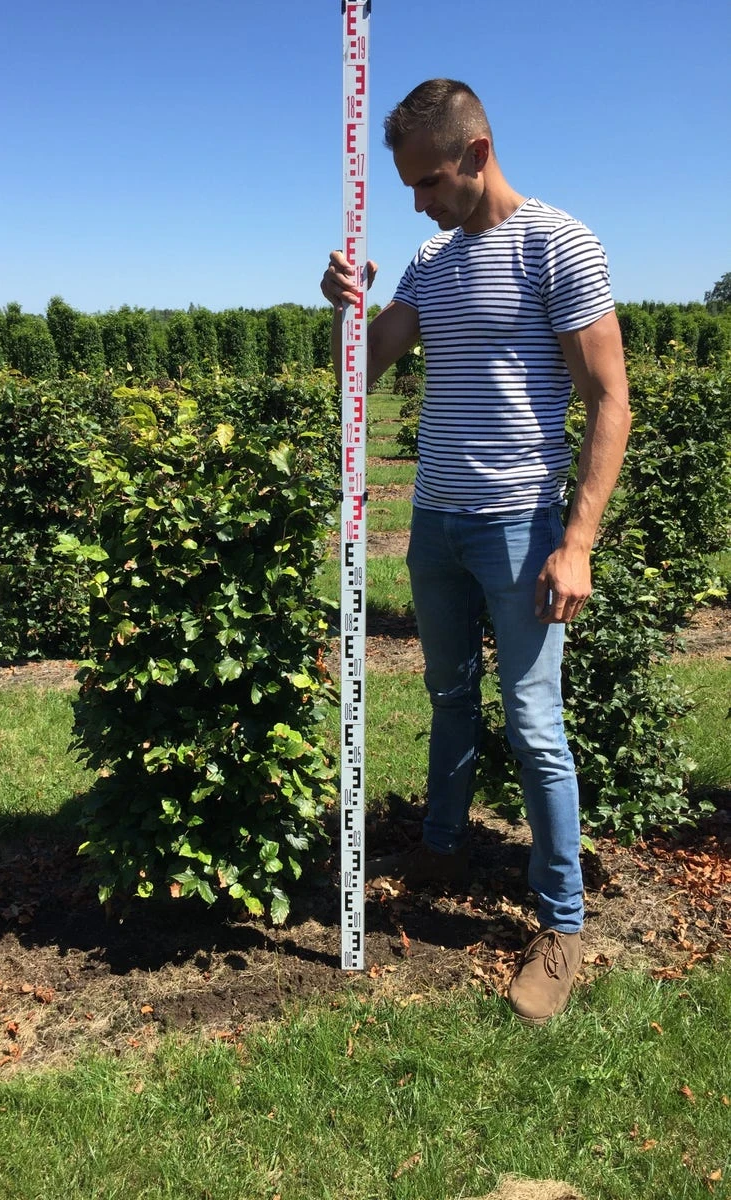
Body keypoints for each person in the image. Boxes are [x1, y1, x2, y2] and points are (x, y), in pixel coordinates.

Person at [320, 79, 631, 1024]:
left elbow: (610, 400)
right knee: (449, 697)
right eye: (408, 186)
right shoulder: (430, 261)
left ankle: (561, 925)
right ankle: (443, 848)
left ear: (477, 153)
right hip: (437, 525)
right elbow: (361, 370)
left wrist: (577, 543)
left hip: (522, 527)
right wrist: (345, 311)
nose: (418, 201)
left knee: (533, 723)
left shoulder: (557, 245)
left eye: (428, 181)